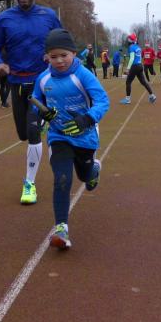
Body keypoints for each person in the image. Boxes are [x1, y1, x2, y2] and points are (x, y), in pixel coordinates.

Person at [0, 0, 62, 205]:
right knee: (23, 134)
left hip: (41, 84)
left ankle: (29, 183)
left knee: (32, 132)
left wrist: (54, 55)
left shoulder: (48, 16)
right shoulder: (4, 18)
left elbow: (61, 40)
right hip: (17, 84)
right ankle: (40, 126)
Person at [32, 29, 109, 249]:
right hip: (59, 136)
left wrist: (87, 118)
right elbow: (36, 100)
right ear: (47, 57)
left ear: (74, 53)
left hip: (85, 137)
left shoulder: (83, 75)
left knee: (85, 177)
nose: (59, 60)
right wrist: (42, 113)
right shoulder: (43, 78)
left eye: (63, 55)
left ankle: (93, 169)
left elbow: (103, 101)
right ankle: (61, 229)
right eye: (53, 56)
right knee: (62, 178)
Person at [120, 33, 156, 104]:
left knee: (128, 82)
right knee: (143, 82)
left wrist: (128, 68)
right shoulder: (138, 47)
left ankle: (127, 99)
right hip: (140, 65)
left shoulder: (131, 47)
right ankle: (152, 95)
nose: (128, 40)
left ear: (131, 40)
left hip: (135, 66)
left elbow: (132, 58)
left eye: (129, 38)